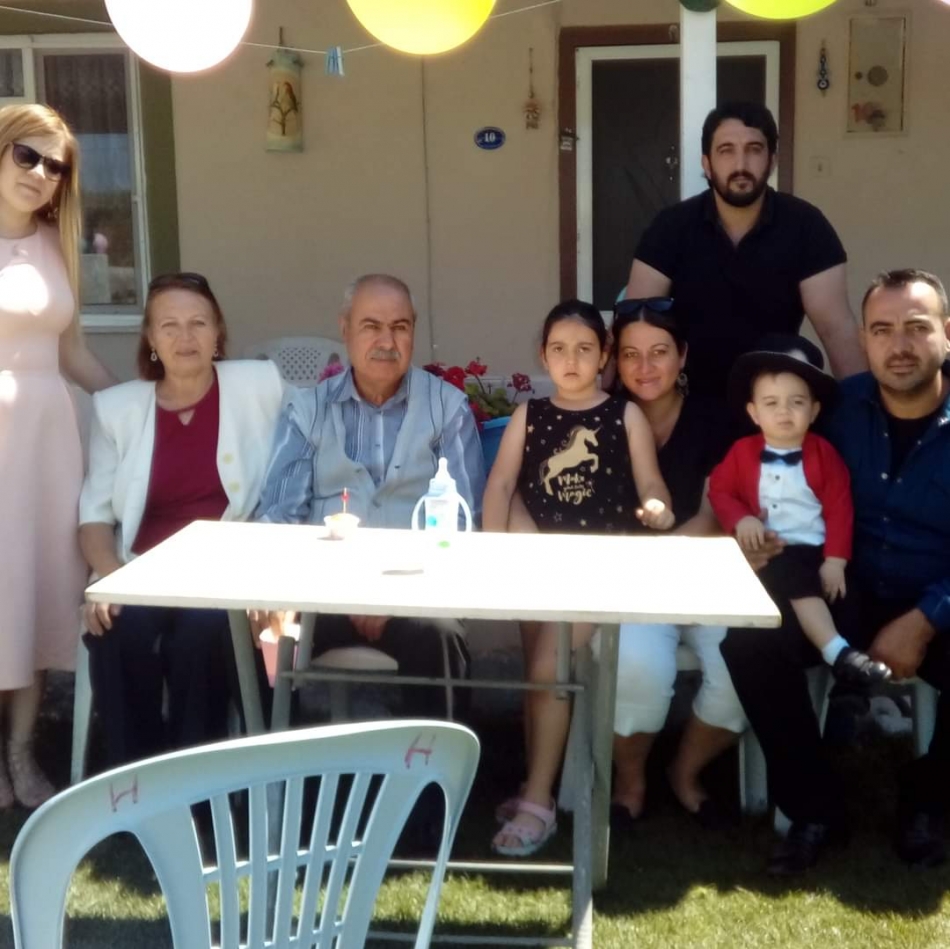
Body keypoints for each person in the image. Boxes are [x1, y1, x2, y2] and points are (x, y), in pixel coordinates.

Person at [721, 269, 950, 874]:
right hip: (843, 589)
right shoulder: (839, 410)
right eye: (882, 330)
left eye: (916, 327)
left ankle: (929, 799)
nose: (899, 345)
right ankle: (815, 807)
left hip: (936, 595)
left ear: (947, 333)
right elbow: (771, 471)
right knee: (749, 641)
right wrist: (757, 534)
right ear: (864, 339)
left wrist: (926, 618)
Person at [483, 299, 674, 856]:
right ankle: (536, 782)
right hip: (538, 566)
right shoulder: (529, 415)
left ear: (604, 355)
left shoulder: (624, 416)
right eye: (560, 349)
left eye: (585, 349)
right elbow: (500, 485)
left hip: (601, 570)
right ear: (543, 355)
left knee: (549, 667)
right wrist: (494, 552)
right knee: (536, 674)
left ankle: (539, 804)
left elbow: (651, 483)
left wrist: (657, 509)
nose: (571, 360)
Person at [253, 273, 485, 717]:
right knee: (261, 630)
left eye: (400, 327)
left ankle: (435, 760)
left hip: (415, 592)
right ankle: (274, 756)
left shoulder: (446, 408)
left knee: (441, 632)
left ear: (414, 332)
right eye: (371, 326)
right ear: (345, 329)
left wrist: (394, 593)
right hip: (320, 592)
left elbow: (462, 524)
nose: (386, 341)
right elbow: (281, 515)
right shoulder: (309, 409)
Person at [79, 272, 284, 767]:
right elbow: (94, 519)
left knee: (203, 635)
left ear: (218, 333)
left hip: (223, 573)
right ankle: (137, 777)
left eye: (198, 323)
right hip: (141, 570)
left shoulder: (260, 386)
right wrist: (112, 580)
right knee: (115, 631)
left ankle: (197, 782)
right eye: (169, 325)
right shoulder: (116, 410)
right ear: (150, 338)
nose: (185, 337)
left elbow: (300, 461)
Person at [0, 103, 116, 808]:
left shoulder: (55, 244)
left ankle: (21, 751)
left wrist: (136, 403)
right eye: (28, 156)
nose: (42, 174)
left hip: (47, 441)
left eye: (56, 166)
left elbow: (71, 353)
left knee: (40, 587)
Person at [605, 299, 749, 827]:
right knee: (638, 668)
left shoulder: (716, 420)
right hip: (631, 587)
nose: (645, 367)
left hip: (708, 577)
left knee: (744, 666)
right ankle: (631, 781)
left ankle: (685, 772)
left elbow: (713, 517)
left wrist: (657, 561)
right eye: (631, 354)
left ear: (682, 355)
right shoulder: (602, 420)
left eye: (659, 352)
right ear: (615, 361)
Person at [624, 101, 865, 400]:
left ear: (772, 160)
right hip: (686, 403)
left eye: (754, 149)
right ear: (707, 164)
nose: (741, 164)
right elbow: (635, 323)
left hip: (775, 404)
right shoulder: (671, 227)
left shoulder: (806, 226)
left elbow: (835, 329)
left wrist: (863, 409)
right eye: (726, 150)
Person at [709, 336, 891, 686]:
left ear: (814, 411)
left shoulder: (825, 454)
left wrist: (836, 560)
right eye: (771, 403)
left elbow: (840, 507)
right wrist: (741, 519)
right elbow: (720, 490)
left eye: (796, 402)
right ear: (754, 413)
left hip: (816, 550)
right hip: (771, 552)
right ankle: (836, 651)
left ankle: (848, 692)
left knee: (848, 597)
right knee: (792, 579)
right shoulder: (741, 453)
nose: (784, 412)